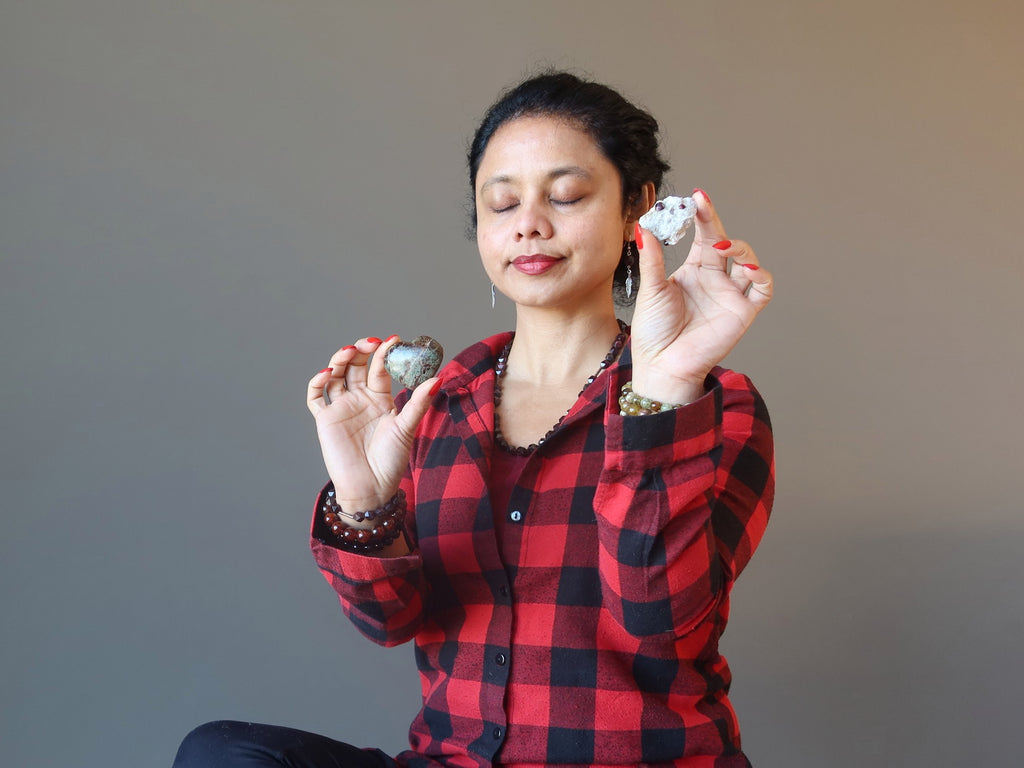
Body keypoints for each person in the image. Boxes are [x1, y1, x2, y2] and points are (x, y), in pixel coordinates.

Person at [174, 71, 775, 768]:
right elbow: (389, 621)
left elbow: (659, 621)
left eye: (567, 195)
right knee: (222, 755)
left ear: (635, 206)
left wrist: (663, 392)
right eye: (502, 202)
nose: (528, 223)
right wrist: (365, 502)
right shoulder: (441, 403)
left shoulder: (712, 405)